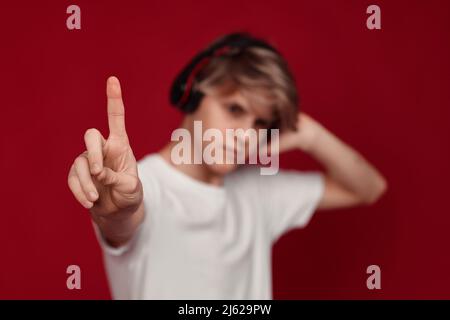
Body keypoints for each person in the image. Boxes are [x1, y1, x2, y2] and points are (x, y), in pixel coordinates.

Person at [67, 33, 387, 299]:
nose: (247, 135)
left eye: (261, 123)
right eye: (234, 109)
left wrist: (310, 134)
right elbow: (125, 214)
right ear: (193, 96)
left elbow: (369, 188)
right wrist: (113, 210)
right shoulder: (142, 185)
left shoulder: (258, 191)